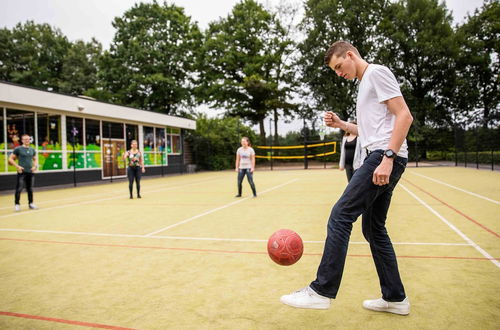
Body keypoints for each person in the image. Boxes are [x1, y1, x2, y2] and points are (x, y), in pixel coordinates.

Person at [280, 41, 414, 315]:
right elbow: (370, 129)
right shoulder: (364, 84)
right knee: (373, 229)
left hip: (383, 157)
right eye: (335, 70)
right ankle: (395, 298)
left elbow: (404, 115)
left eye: (340, 66)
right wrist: (342, 125)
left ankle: (321, 290)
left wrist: (388, 157)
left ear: (351, 55)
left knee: (340, 215)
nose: (339, 73)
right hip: (381, 154)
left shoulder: (376, 73)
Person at [8, 134, 38, 212]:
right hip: (22, 172)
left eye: (28, 139)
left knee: (30, 189)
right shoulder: (18, 149)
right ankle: (17, 205)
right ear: (22, 140)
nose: (27, 140)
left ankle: (31, 203)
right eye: (25, 139)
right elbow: (10, 159)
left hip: (30, 172)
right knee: (19, 189)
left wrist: (35, 166)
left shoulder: (32, 149)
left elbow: (35, 159)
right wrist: (17, 166)